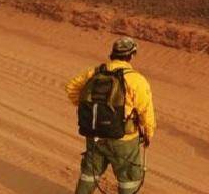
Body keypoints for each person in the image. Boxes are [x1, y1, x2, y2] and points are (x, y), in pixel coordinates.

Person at [65, 37, 156, 194]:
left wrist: (86, 106)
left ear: (112, 54)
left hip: (95, 134)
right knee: (129, 180)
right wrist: (149, 134)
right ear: (132, 55)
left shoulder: (95, 72)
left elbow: (71, 87)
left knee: (89, 173)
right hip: (124, 140)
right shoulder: (136, 80)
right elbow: (146, 111)